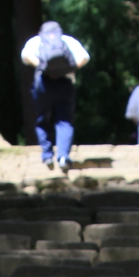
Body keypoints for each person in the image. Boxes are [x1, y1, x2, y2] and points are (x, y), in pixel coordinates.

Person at [20, 21, 89, 173]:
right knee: (64, 120)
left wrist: (41, 66)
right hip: (65, 82)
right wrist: (69, 69)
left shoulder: (37, 41)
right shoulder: (67, 41)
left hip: (43, 83)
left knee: (41, 119)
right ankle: (63, 156)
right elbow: (85, 57)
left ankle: (47, 155)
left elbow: (25, 55)